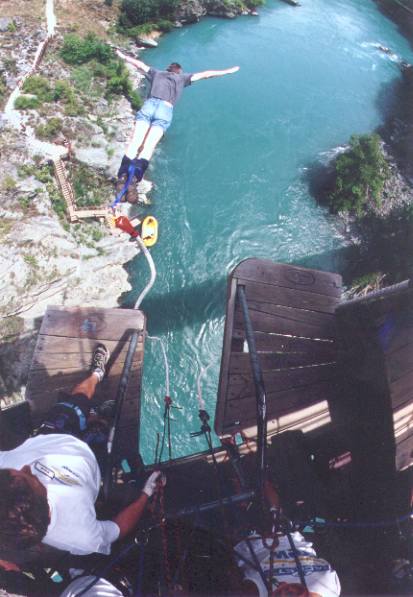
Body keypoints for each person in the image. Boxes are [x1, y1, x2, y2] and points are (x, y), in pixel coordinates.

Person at [0, 344, 163, 557]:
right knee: (101, 428)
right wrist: (145, 493)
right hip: (92, 460)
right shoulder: (81, 537)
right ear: (43, 500)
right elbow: (116, 529)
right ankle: (97, 417)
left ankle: (96, 375)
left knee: (77, 399)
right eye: (29, 476)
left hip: (54, 436)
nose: (27, 468)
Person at [115, 49, 240, 203]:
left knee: (135, 142)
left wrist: (123, 56)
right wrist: (227, 71)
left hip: (150, 105)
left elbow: (139, 64)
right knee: (148, 147)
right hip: (165, 110)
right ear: (179, 72)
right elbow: (206, 74)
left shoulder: (156, 73)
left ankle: (122, 177)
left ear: (168, 69)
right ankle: (134, 178)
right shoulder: (182, 79)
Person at [233, 482, 341, 597]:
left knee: (241, 505)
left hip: (252, 539)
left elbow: (235, 576)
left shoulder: (255, 592)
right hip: (290, 531)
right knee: (322, 522)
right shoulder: (331, 588)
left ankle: (236, 481)